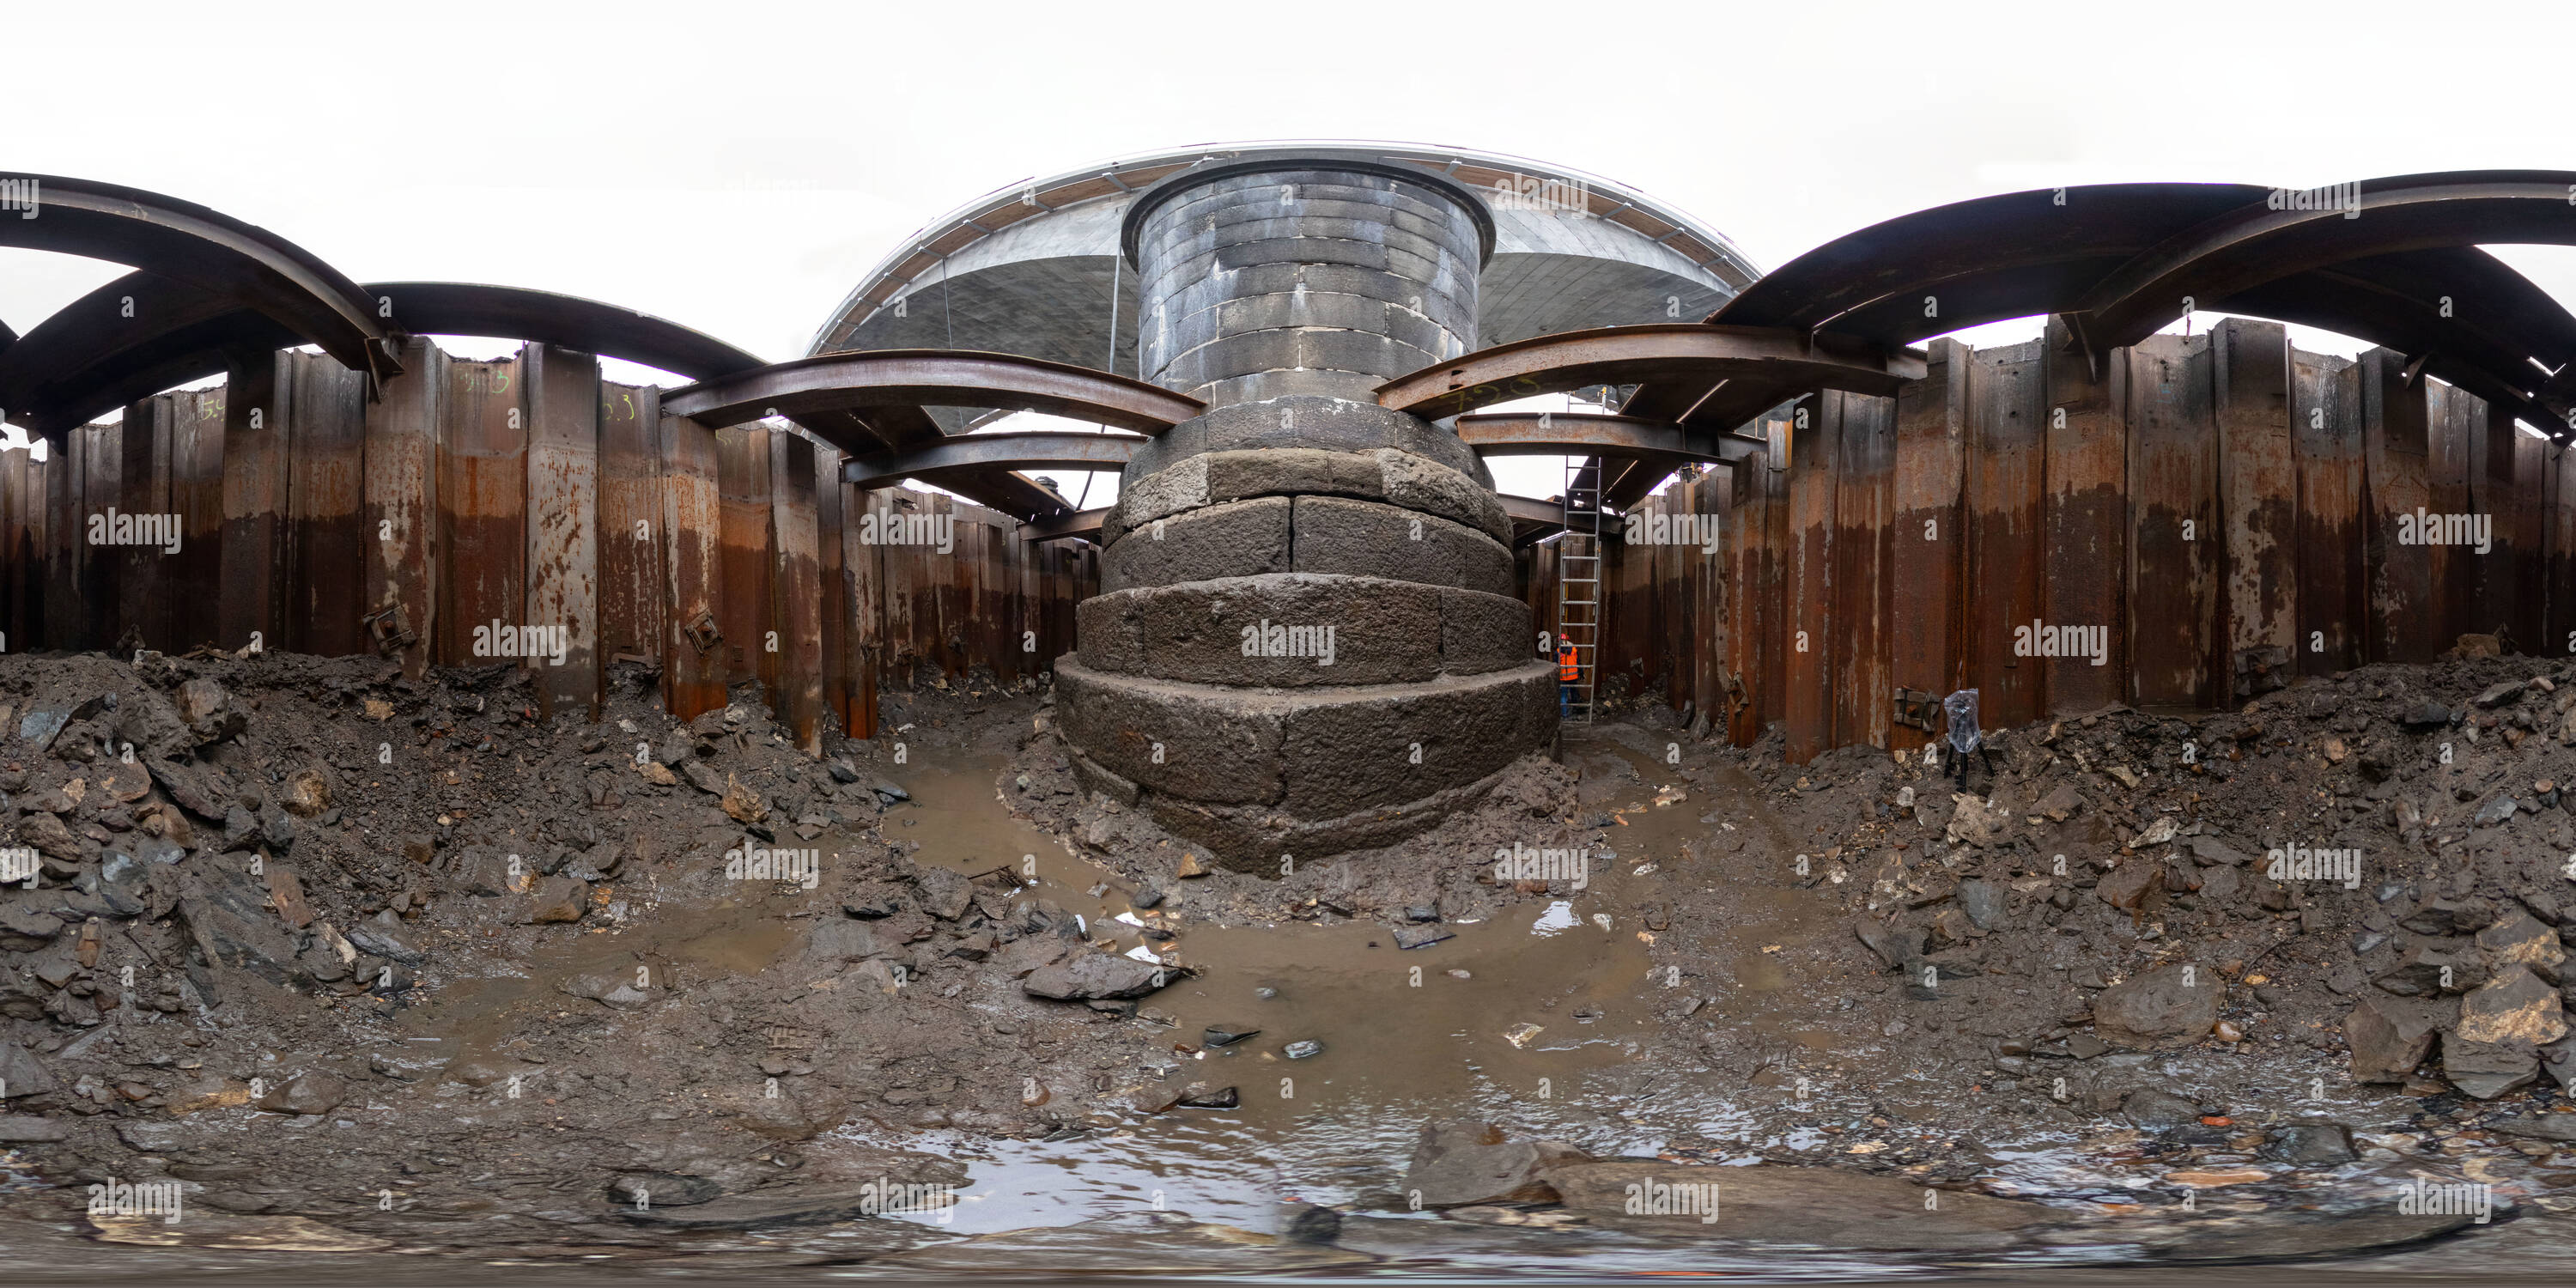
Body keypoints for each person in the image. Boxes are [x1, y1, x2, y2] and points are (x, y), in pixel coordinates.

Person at [1557, 635, 1582, 716]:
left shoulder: (1558, 651)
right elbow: (1578, 662)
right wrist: (1581, 673)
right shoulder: (1574, 650)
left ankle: (1564, 714)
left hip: (1563, 677)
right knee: (1574, 693)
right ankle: (1575, 711)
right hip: (1574, 677)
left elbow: (1555, 665)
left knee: (1563, 695)